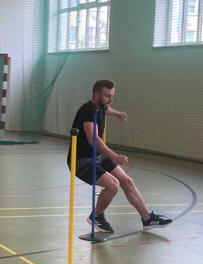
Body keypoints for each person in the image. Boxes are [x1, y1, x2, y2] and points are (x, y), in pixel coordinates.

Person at [68, 79, 172, 234]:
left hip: (97, 157)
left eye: (112, 96)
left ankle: (147, 218)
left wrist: (117, 114)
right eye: (107, 96)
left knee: (127, 181)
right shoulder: (87, 111)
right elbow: (93, 139)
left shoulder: (100, 107)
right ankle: (96, 216)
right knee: (113, 185)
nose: (110, 99)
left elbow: (107, 109)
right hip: (81, 160)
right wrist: (114, 155)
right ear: (96, 95)